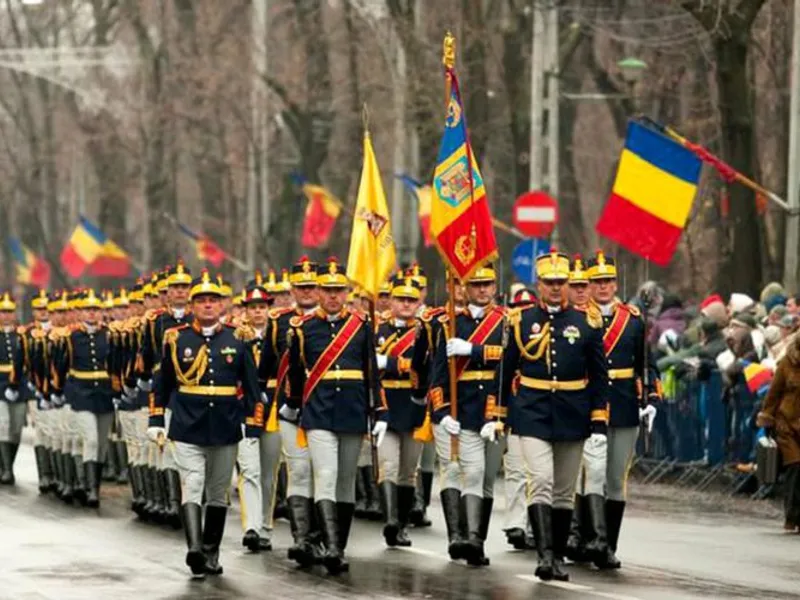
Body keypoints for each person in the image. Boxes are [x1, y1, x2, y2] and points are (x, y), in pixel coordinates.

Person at [491, 249, 609, 582]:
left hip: (573, 411)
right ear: (538, 284)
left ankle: (556, 555)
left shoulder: (586, 322)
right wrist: (496, 415)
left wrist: (599, 419)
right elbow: (506, 369)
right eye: (549, 282)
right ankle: (543, 556)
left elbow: (599, 376)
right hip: (532, 410)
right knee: (540, 480)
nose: (556, 288)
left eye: (561, 282)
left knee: (563, 490)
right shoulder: (521, 320)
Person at [148, 270, 264, 578]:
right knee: (193, 484)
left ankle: (211, 552)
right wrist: (156, 418)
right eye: (201, 301)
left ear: (222, 305)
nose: (208, 306)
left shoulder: (238, 338)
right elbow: (163, 383)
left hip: (226, 425)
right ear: (192, 305)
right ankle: (194, 549)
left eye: (213, 301)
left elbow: (252, 387)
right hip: (188, 424)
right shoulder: (176, 338)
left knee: (217, 491)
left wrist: (254, 424)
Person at [285, 257, 380, 575]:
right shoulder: (303, 329)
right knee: (324, 475)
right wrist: (293, 405)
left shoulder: (362, 327)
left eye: (339, 290)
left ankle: (338, 541)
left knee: (345, 479)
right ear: (319, 293)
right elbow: (297, 376)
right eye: (327, 291)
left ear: (347, 291)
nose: (333, 296)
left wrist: (378, 410)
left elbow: (371, 372)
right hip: (319, 411)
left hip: (353, 410)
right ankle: (333, 548)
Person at [585, 251, 660, 569]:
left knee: (616, 477)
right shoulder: (579, 317)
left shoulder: (633, 319)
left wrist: (652, 400)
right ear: (588, 284)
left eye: (608, 281)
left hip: (626, 403)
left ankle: (608, 546)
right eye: (597, 281)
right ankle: (587, 537)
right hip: (589, 405)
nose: (603, 287)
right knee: (591, 475)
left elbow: (648, 365)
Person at [429, 265, 506, 567]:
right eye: (476, 285)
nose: (483, 290)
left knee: (486, 478)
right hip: (462, 405)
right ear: (464, 288)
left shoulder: (506, 322)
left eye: (487, 284)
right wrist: (442, 411)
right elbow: (438, 372)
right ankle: (464, 537)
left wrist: (472, 350)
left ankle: (478, 540)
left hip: (494, 407)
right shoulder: (449, 323)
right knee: (466, 472)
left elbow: (509, 355)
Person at [138, 263, 194, 527]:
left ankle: (191, 500)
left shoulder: (198, 320)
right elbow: (148, 355)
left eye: (185, 287)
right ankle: (171, 502)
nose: (180, 292)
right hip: (167, 390)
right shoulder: (156, 320)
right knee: (168, 447)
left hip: (193, 389)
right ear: (168, 292)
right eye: (176, 288)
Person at [373, 274, 427, 547]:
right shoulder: (377, 329)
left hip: (414, 405)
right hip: (386, 405)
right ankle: (391, 521)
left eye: (411, 300)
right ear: (390, 301)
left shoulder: (425, 330)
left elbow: (424, 365)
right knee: (388, 465)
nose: (406, 304)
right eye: (401, 299)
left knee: (408, 470)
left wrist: (390, 362)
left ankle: (403, 524)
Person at [51, 289, 115, 508]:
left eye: (96, 310)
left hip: (105, 394)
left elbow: (116, 364)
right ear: (81, 313)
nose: (92, 314)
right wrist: (58, 390)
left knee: (102, 445)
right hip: (81, 394)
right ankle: (91, 490)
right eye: (88, 310)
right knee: (91, 439)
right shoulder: (71, 337)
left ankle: (93, 484)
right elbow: (61, 365)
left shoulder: (109, 335)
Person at [235, 276, 282, 553]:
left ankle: (265, 525)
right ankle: (251, 527)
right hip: (246, 409)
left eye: (261, 307)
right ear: (245, 310)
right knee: (249, 469)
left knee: (268, 471)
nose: (257, 312)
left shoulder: (279, 335)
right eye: (252, 307)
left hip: (273, 407)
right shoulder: (237, 337)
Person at [757, 334, 800, 531]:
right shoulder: (787, 363)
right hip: (787, 425)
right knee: (795, 466)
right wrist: (767, 416)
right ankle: (792, 516)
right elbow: (774, 393)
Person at [0, 293, 24, 485]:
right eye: (3, 312)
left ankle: (7, 463)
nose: (6, 316)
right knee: (3, 425)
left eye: (10, 312)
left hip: (18, 384)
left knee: (16, 429)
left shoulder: (21, 335)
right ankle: (7, 470)